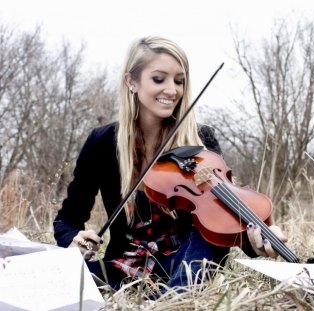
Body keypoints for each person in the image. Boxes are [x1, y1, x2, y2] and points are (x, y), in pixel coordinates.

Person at [53, 36, 288, 290]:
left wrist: (260, 238)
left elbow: (223, 215)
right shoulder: (102, 142)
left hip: (187, 261)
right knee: (54, 275)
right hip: (123, 265)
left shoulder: (201, 139)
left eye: (179, 81)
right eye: (159, 79)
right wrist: (73, 238)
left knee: (206, 235)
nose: (172, 90)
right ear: (131, 81)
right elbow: (68, 218)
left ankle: (177, 298)